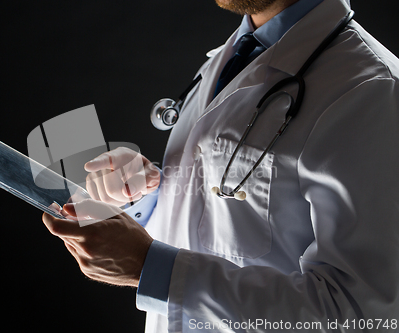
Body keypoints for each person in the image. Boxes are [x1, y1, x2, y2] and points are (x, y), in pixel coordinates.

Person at [42, 0, 399, 331]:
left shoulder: (370, 89)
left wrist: (150, 268)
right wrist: (144, 195)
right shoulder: (237, 54)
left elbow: (361, 314)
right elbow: (227, 215)